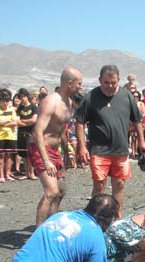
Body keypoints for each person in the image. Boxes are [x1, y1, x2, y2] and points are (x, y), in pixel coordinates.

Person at [75, 65, 145, 217]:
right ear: (100, 80)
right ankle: (95, 217)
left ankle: (116, 216)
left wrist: (142, 141)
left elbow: (137, 120)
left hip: (120, 148)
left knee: (119, 184)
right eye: (106, 83)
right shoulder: (90, 97)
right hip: (99, 149)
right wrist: (82, 146)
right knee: (99, 185)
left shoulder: (126, 95)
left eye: (113, 83)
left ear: (118, 80)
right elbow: (80, 121)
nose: (109, 86)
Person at [30, 66, 83, 226]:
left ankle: (50, 226)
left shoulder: (68, 102)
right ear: (70, 83)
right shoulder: (50, 102)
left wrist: (67, 151)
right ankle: (39, 234)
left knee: (60, 192)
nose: (80, 86)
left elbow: (61, 130)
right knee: (51, 192)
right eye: (79, 83)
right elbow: (38, 131)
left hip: (56, 150)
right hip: (41, 149)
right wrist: (46, 160)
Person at [0, 88, 18, 182]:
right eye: (3, 101)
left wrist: (1, 122)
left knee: (9, 156)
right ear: (0, 101)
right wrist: (7, 121)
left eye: (7, 101)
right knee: (0, 156)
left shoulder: (12, 110)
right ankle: (1, 175)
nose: (5, 103)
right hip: (0, 136)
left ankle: (7, 174)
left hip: (10, 136)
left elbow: (15, 122)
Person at [15, 88, 38, 180]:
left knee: (30, 154)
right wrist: (25, 122)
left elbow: (33, 120)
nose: (22, 99)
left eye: (24, 96)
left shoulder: (33, 107)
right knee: (23, 154)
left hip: (30, 133)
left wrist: (23, 121)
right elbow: (17, 121)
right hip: (21, 133)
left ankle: (32, 173)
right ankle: (26, 173)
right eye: (21, 97)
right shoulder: (19, 108)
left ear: (27, 96)